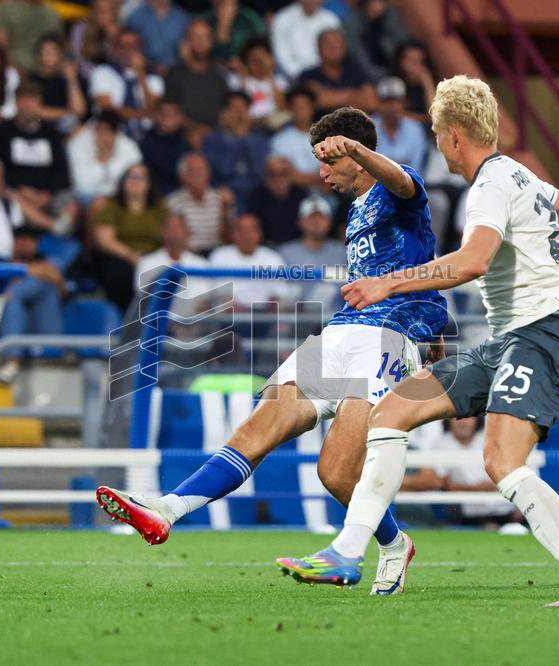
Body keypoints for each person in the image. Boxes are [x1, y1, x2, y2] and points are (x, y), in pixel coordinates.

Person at [276, 76, 559, 606]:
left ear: (452, 135)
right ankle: (346, 552)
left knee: (502, 462)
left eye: (435, 133)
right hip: (508, 341)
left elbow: (473, 262)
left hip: (540, 337)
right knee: (392, 412)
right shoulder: (521, 175)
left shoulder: (490, 185)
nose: (436, 145)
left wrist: (388, 283)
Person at [95, 106, 448, 598]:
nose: (321, 173)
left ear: (353, 153)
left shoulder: (397, 188)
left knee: (335, 471)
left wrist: (357, 149)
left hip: (389, 337)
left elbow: (406, 185)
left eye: (328, 161)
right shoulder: (355, 209)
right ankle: (168, 509)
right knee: (258, 426)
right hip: (341, 331)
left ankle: (392, 545)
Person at [0, 80, 72, 226]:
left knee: (72, 204)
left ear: (39, 103)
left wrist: (46, 194)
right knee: (6, 194)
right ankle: (51, 226)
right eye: (24, 100)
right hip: (15, 193)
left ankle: (53, 226)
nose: (28, 106)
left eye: (33, 100)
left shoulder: (52, 134)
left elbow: (62, 172)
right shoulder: (2, 132)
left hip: (48, 195)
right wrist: (21, 190)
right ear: (16, 103)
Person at [401, 416, 515, 526]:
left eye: (469, 417)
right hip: (468, 514)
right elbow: (442, 483)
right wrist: (478, 489)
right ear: (448, 420)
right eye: (457, 417)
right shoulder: (440, 446)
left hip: (504, 509)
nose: (463, 422)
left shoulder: (490, 441)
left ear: (477, 419)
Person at [88, 164, 168, 311]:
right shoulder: (113, 205)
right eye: (131, 177)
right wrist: (130, 255)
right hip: (120, 257)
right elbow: (104, 240)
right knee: (121, 272)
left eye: (140, 177)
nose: (135, 181)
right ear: (123, 182)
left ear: (149, 184)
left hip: (153, 257)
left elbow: (169, 233)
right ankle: (125, 316)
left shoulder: (159, 207)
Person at [0, 225, 67, 384]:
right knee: (10, 298)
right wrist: (28, 271)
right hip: (8, 328)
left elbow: (60, 286)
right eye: (20, 238)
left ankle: (13, 360)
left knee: (42, 286)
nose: (25, 243)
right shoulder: (0, 264)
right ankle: (13, 358)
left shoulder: (50, 260)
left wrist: (21, 272)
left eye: (30, 239)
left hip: (44, 326)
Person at [89, 27, 164, 141]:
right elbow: (108, 109)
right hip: (111, 133)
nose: (128, 50)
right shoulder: (102, 72)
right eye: (123, 46)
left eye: (133, 46)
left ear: (140, 49)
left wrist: (140, 74)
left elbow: (153, 107)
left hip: (147, 135)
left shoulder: (153, 77)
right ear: (115, 48)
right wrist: (144, 114)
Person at [207, 214, 295, 309]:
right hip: (229, 313)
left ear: (260, 234)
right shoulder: (220, 255)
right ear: (233, 234)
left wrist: (272, 306)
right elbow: (214, 290)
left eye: (251, 230)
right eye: (241, 230)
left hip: (265, 313)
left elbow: (280, 291)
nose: (246, 235)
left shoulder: (272, 257)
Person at [201, 92, 271, 206]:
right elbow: (223, 170)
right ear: (223, 114)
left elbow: (259, 171)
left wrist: (245, 139)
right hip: (224, 194)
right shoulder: (212, 140)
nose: (239, 114)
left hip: (255, 194)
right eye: (234, 109)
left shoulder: (260, 140)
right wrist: (236, 140)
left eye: (244, 109)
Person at [278, 194, 346, 308]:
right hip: (297, 315)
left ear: (329, 222)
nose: (316, 222)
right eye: (310, 218)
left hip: (336, 315)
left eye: (321, 218)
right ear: (300, 222)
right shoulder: (285, 252)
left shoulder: (342, 251)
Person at [163, 20, 230, 134]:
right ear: (187, 41)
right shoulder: (174, 74)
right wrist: (197, 129)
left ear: (211, 42)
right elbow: (169, 111)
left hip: (216, 135)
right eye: (196, 37)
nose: (200, 42)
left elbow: (226, 111)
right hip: (182, 135)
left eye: (205, 37)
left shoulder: (220, 74)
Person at [66, 110, 143, 204]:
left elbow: (135, 180)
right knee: (99, 203)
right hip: (86, 196)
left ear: (117, 133)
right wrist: (101, 158)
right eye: (100, 130)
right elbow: (82, 185)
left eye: (109, 131)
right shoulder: (78, 145)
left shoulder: (130, 147)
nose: (104, 136)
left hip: (120, 197)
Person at [165, 152, 234, 254]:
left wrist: (225, 211)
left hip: (217, 254)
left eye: (203, 170)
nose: (200, 174)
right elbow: (172, 239)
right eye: (194, 171)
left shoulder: (221, 199)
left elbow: (229, 240)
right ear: (182, 176)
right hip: (189, 255)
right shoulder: (173, 203)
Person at [297, 28, 377, 115]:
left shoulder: (357, 73)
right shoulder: (308, 76)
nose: (334, 48)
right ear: (318, 48)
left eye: (339, 44)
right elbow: (318, 101)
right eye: (329, 45)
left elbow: (371, 104)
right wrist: (355, 95)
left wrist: (330, 96)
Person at [244, 155, 308, 246]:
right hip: (264, 247)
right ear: (265, 176)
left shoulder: (301, 195)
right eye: (272, 174)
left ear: (291, 175)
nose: (278, 179)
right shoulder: (255, 197)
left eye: (283, 173)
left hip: (297, 246)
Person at [270, 0, 341, 81]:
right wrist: (303, 77)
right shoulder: (282, 19)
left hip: (326, 77)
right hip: (292, 78)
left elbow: (338, 53)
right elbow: (282, 57)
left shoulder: (331, 19)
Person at [29, 35, 87, 132]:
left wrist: (71, 80)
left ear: (61, 55)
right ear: (38, 55)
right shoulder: (32, 79)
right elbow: (33, 110)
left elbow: (79, 111)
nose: (48, 54)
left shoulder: (69, 79)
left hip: (67, 129)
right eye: (45, 51)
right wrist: (66, 113)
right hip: (39, 128)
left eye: (52, 51)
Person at [0, 0, 63, 74]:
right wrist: (14, 70)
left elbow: (58, 49)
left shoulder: (53, 16)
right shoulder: (7, 10)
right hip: (12, 73)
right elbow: (0, 46)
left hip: (45, 74)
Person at [227, 38, 287, 126]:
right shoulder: (236, 80)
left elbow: (282, 107)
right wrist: (243, 76)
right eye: (254, 59)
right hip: (249, 124)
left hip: (274, 124)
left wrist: (270, 74)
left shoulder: (279, 81)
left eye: (262, 58)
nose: (259, 62)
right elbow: (237, 106)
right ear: (246, 61)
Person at [344, 0, 409, 82]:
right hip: (366, 74)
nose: (377, 6)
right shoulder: (353, 21)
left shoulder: (391, 15)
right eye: (373, 2)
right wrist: (381, 75)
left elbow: (403, 43)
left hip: (394, 68)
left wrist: (400, 69)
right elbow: (357, 55)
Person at [373, 76, 427, 173]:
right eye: (387, 101)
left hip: (408, 182)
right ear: (379, 103)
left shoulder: (415, 129)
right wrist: (400, 163)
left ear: (404, 102)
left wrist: (382, 164)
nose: (392, 106)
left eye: (396, 101)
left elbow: (415, 169)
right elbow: (367, 168)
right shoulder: (368, 126)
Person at [270, 87, 321, 188]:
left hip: (326, 192)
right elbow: (285, 175)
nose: (300, 109)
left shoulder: (326, 137)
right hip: (294, 192)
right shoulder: (279, 140)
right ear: (290, 109)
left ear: (313, 107)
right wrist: (318, 180)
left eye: (304, 105)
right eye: (296, 106)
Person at [141, 98, 191, 195]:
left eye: (173, 114)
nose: (168, 118)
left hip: (182, 193)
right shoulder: (147, 141)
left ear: (180, 118)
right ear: (156, 116)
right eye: (164, 114)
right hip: (156, 193)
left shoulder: (185, 141)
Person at [124, 0, 190, 71]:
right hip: (145, 69)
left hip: (175, 69)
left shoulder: (182, 18)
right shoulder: (136, 17)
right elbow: (127, 43)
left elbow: (187, 47)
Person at [200, 0, 265, 62]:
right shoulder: (202, 21)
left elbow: (263, 49)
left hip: (246, 66)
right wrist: (223, 28)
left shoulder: (250, 19)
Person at [70, 0, 120, 78]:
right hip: (86, 77)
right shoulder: (81, 29)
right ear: (93, 12)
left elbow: (119, 63)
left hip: (113, 78)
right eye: (99, 10)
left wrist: (112, 39)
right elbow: (77, 58)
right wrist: (95, 76)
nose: (103, 15)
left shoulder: (120, 32)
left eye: (107, 11)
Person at [390, 40, 436, 125]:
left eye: (420, 61)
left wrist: (428, 84)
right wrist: (425, 119)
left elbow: (435, 117)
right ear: (400, 62)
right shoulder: (391, 82)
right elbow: (394, 114)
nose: (416, 66)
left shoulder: (427, 86)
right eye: (411, 61)